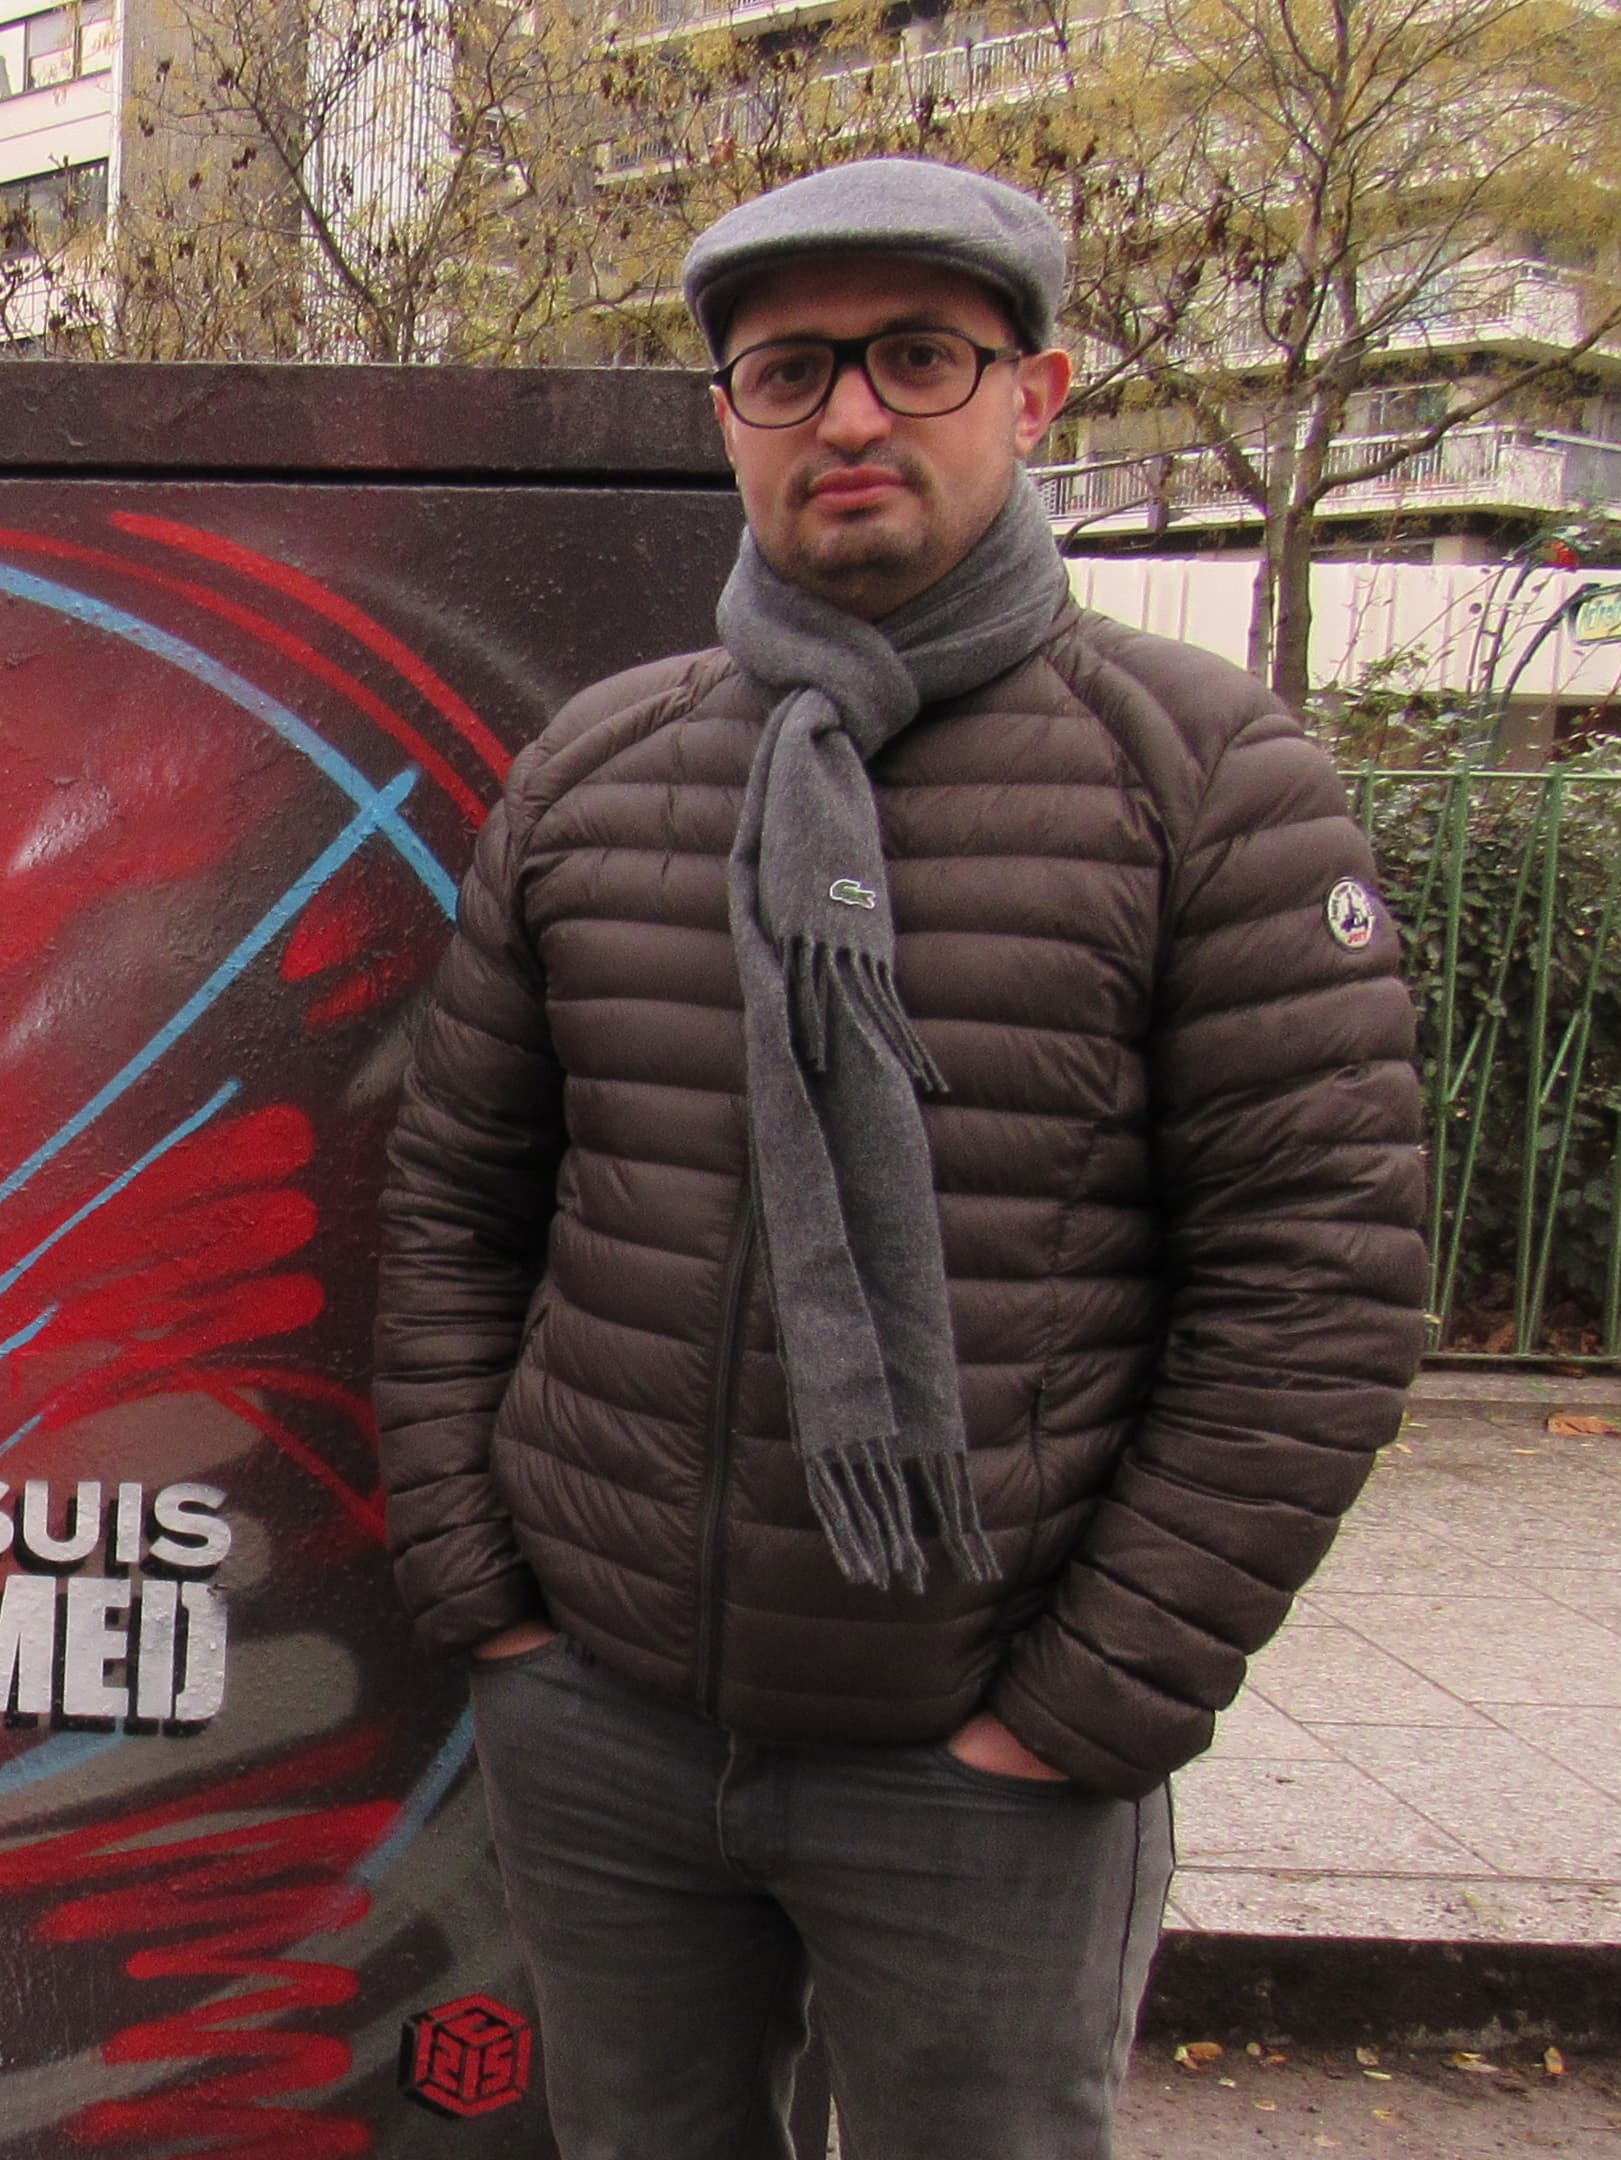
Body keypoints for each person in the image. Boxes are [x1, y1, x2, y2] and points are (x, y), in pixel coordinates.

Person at [376, 160, 1428, 2160]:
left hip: (986, 1767)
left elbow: (1319, 1292)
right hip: (603, 1724)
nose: (850, 417)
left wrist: (1077, 1711)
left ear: (1032, 398)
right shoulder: (599, 773)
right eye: (792, 371)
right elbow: (458, 1202)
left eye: (915, 358)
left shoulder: (1205, 783)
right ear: (731, 423)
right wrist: (491, 1600)